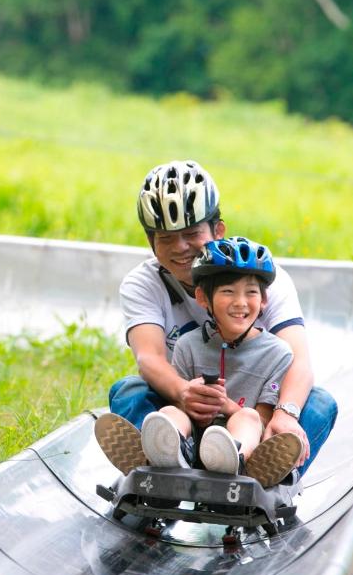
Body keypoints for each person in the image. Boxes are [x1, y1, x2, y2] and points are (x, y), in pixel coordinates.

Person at [94, 159, 337, 476]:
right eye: (166, 238)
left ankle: (260, 477)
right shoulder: (142, 283)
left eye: (192, 233)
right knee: (128, 390)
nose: (181, 248)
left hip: (253, 416)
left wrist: (286, 413)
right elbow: (149, 358)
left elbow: (299, 361)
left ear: (218, 230)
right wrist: (184, 393)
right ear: (150, 241)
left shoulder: (260, 281)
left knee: (319, 403)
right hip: (185, 410)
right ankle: (155, 467)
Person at [136, 236, 304, 487]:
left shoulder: (278, 353)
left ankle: (233, 461)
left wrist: (226, 406)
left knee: (247, 417)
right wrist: (192, 407)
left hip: (243, 441)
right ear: (203, 298)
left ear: (264, 301)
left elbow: (264, 419)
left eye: (251, 292)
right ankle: (163, 454)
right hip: (194, 439)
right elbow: (178, 403)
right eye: (228, 292)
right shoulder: (188, 344)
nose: (240, 302)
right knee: (169, 412)